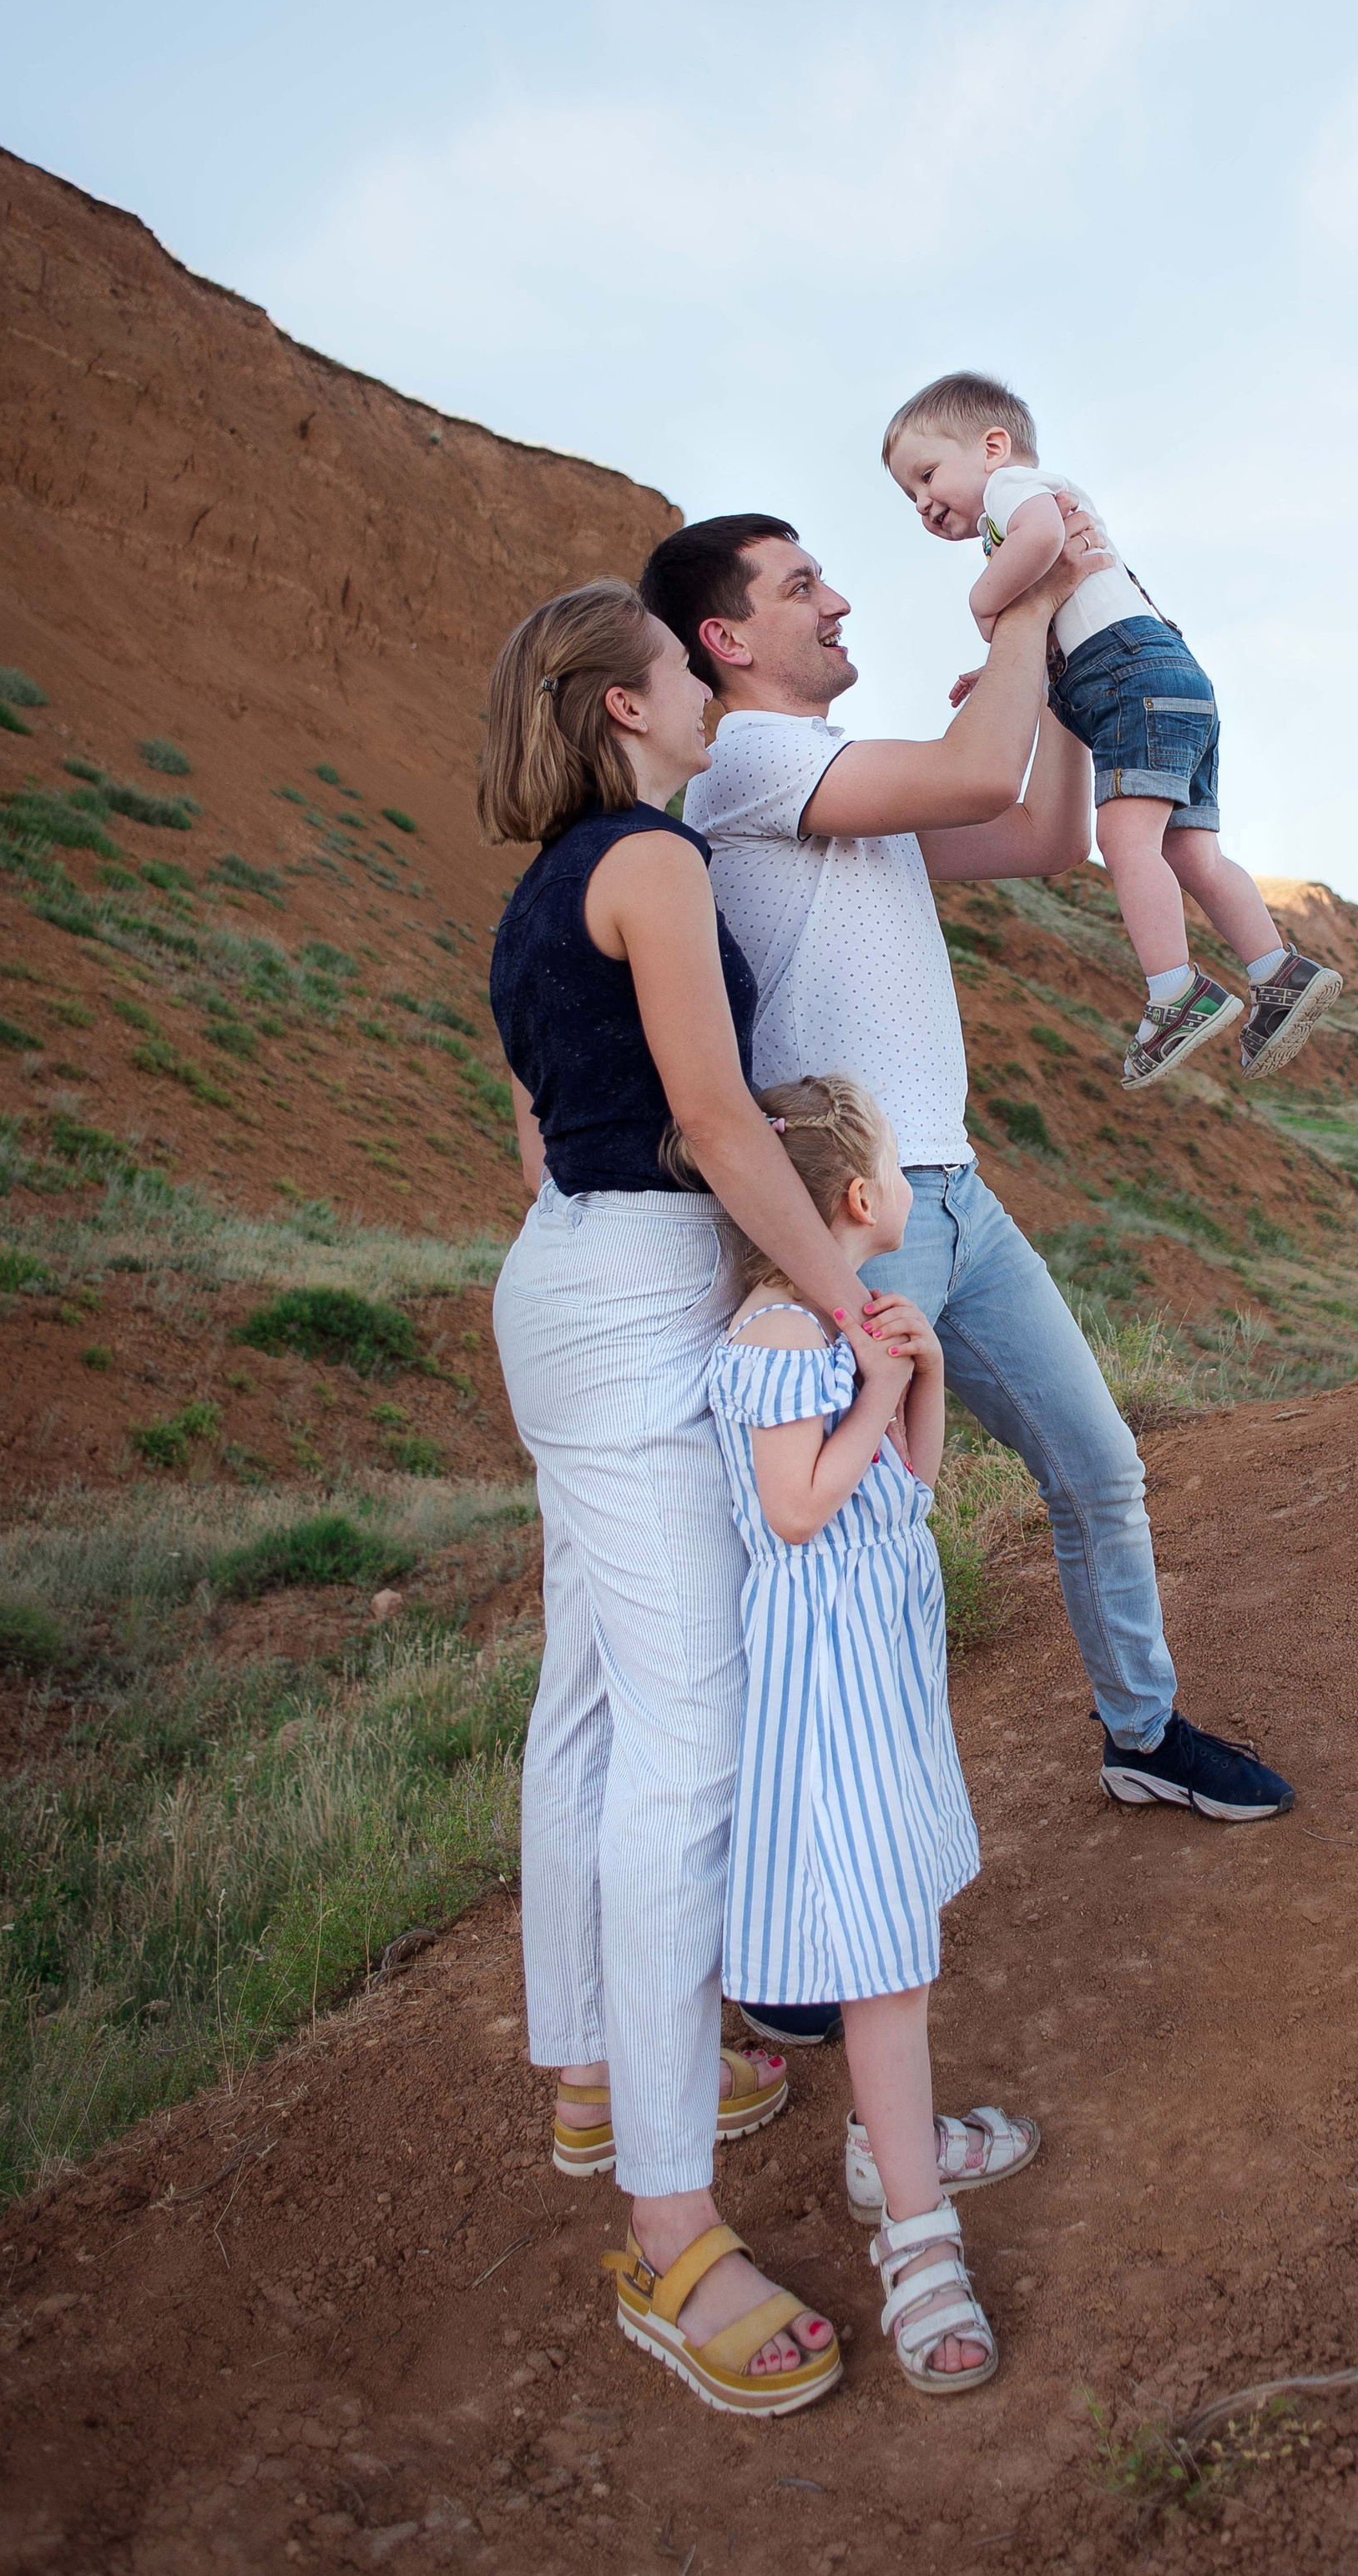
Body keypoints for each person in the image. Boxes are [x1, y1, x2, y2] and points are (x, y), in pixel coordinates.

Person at [640, 503, 1296, 2078]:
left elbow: (1032, 833)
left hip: (951, 1189)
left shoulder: (837, 789)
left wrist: (1073, 678)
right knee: (844, 1572)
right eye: (804, 586)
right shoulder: (746, 763)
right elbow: (964, 777)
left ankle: (1141, 1735)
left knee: (1100, 1467)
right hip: (850, 1225)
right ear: (726, 642)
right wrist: (1026, 603)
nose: (838, 597)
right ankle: (792, 1932)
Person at [482, 578, 919, 2419]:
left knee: (588, 1701)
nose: (705, 701)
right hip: (642, 1287)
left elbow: (536, 1125)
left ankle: (591, 2065)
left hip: (568, 1276)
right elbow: (723, 1115)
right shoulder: (650, 860)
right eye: (682, 676)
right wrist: (843, 1301)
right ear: (618, 707)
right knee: (691, 1745)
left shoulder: (533, 896)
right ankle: (669, 2237)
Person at [670, 1072, 1041, 2396]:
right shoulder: (776, 1336)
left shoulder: (838, 1323)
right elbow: (794, 1509)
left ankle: (895, 2142)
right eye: (894, 1158)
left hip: (882, 1673)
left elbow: (910, 1489)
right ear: (860, 1196)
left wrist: (919, 1369)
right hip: (826, 1691)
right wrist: (878, 1385)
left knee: (904, 1915)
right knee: (882, 1950)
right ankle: (917, 2237)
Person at [881, 368, 1343, 1091]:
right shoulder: (1033, 509)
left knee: (1124, 841)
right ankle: (1277, 970)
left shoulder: (1016, 493)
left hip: (1126, 677)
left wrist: (983, 601)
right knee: (1193, 854)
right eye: (909, 494)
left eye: (928, 474)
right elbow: (1066, 605)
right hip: (1170, 675)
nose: (922, 502)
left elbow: (1037, 544)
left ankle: (1175, 991)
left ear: (994, 446)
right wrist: (1003, 662)